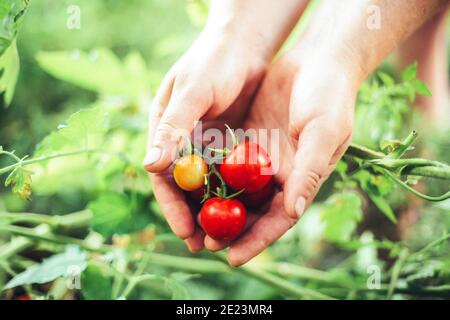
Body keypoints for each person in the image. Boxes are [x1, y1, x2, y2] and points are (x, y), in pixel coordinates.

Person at [144, 0, 450, 267]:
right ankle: (428, 106)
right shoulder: (234, 170)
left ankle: (427, 95)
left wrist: (337, 58)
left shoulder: (225, 174)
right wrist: (233, 38)